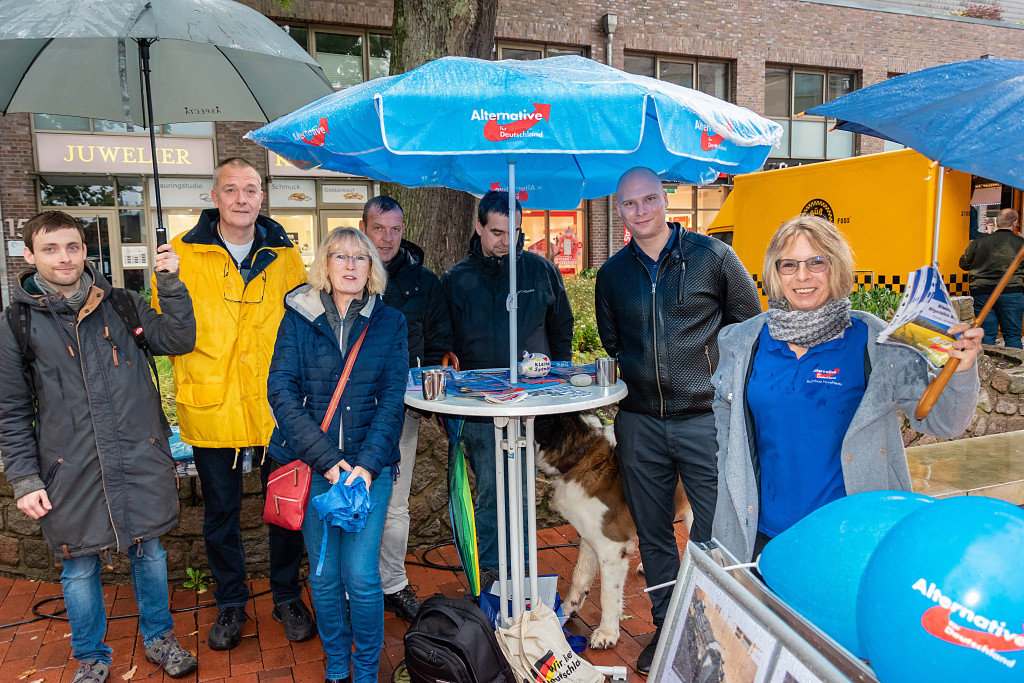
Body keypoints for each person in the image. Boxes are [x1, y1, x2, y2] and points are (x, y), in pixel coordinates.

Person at [713, 214, 982, 564]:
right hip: (763, 534)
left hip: (853, 535)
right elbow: (725, 417)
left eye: (817, 262)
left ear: (836, 267)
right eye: (789, 265)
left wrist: (962, 368)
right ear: (774, 273)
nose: (802, 276)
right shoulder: (743, 340)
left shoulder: (875, 341)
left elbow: (945, 422)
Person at [0, 211, 198, 683]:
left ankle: (160, 638)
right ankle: (91, 657)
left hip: (137, 458)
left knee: (150, 554)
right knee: (79, 568)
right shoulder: (16, 323)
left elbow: (178, 339)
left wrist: (170, 284)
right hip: (69, 468)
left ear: (85, 250)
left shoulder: (122, 304)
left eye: (72, 246)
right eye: (50, 249)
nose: (63, 258)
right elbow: (11, 410)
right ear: (29, 255)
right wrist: (24, 478)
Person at [594, 166, 761, 674]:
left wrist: (725, 391)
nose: (640, 210)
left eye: (649, 199)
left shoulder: (713, 258)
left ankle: (717, 626)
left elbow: (750, 328)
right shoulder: (612, 275)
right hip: (639, 422)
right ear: (619, 210)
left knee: (717, 530)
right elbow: (612, 341)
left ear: (666, 199)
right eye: (629, 203)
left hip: (706, 419)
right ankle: (669, 627)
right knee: (653, 535)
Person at [152, 157, 313, 650]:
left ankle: (287, 595)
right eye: (231, 189)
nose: (241, 198)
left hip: (275, 407)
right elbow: (166, 334)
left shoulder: (285, 254)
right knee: (220, 514)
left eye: (250, 189)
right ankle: (229, 603)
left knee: (285, 509)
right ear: (215, 196)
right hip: (212, 404)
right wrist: (167, 281)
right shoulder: (180, 254)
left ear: (262, 196)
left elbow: (303, 326)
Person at [267, 227, 407, 683]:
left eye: (360, 257)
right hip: (314, 468)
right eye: (340, 256)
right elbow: (281, 392)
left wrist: (366, 466)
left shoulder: (390, 322)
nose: (350, 265)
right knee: (325, 575)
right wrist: (327, 460)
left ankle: (365, 669)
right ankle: (337, 665)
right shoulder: (298, 317)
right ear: (324, 265)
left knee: (361, 576)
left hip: (370, 468)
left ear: (372, 268)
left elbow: (393, 400)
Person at [441, 190, 574, 588]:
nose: (505, 241)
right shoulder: (456, 280)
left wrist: (558, 385)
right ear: (478, 227)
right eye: (496, 232)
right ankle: (491, 572)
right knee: (491, 490)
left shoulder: (540, 271)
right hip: (480, 408)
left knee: (523, 489)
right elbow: (444, 345)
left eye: (513, 232)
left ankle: (524, 567)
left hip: (532, 403)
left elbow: (562, 330)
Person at [359, 195, 453, 622]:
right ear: (363, 227)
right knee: (355, 498)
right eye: (379, 228)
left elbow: (438, 343)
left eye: (395, 229)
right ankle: (356, 587)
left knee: (397, 505)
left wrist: (422, 397)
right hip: (353, 412)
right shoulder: (347, 272)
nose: (387, 238)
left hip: (402, 411)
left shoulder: (424, 282)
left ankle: (393, 583)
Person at [960, 207, 1024, 349]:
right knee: (1013, 335)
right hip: (1011, 292)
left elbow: (963, 264)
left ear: (996, 222)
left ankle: (987, 361)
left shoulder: (979, 242)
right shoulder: (1021, 244)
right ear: (1015, 223)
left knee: (986, 334)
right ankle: (1014, 363)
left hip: (981, 293)